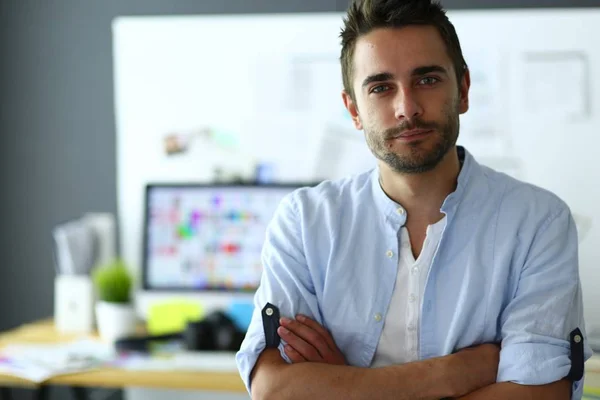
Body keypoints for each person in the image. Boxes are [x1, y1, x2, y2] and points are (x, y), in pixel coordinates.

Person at [236, 0, 592, 398]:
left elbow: (539, 396)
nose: (407, 108)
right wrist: (456, 372)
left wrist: (347, 385)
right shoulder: (304, 222)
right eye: (381, 87)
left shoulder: (538, 222)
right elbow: (274, 390)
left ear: (464, 90)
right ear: (353, 109)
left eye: (427, 80)